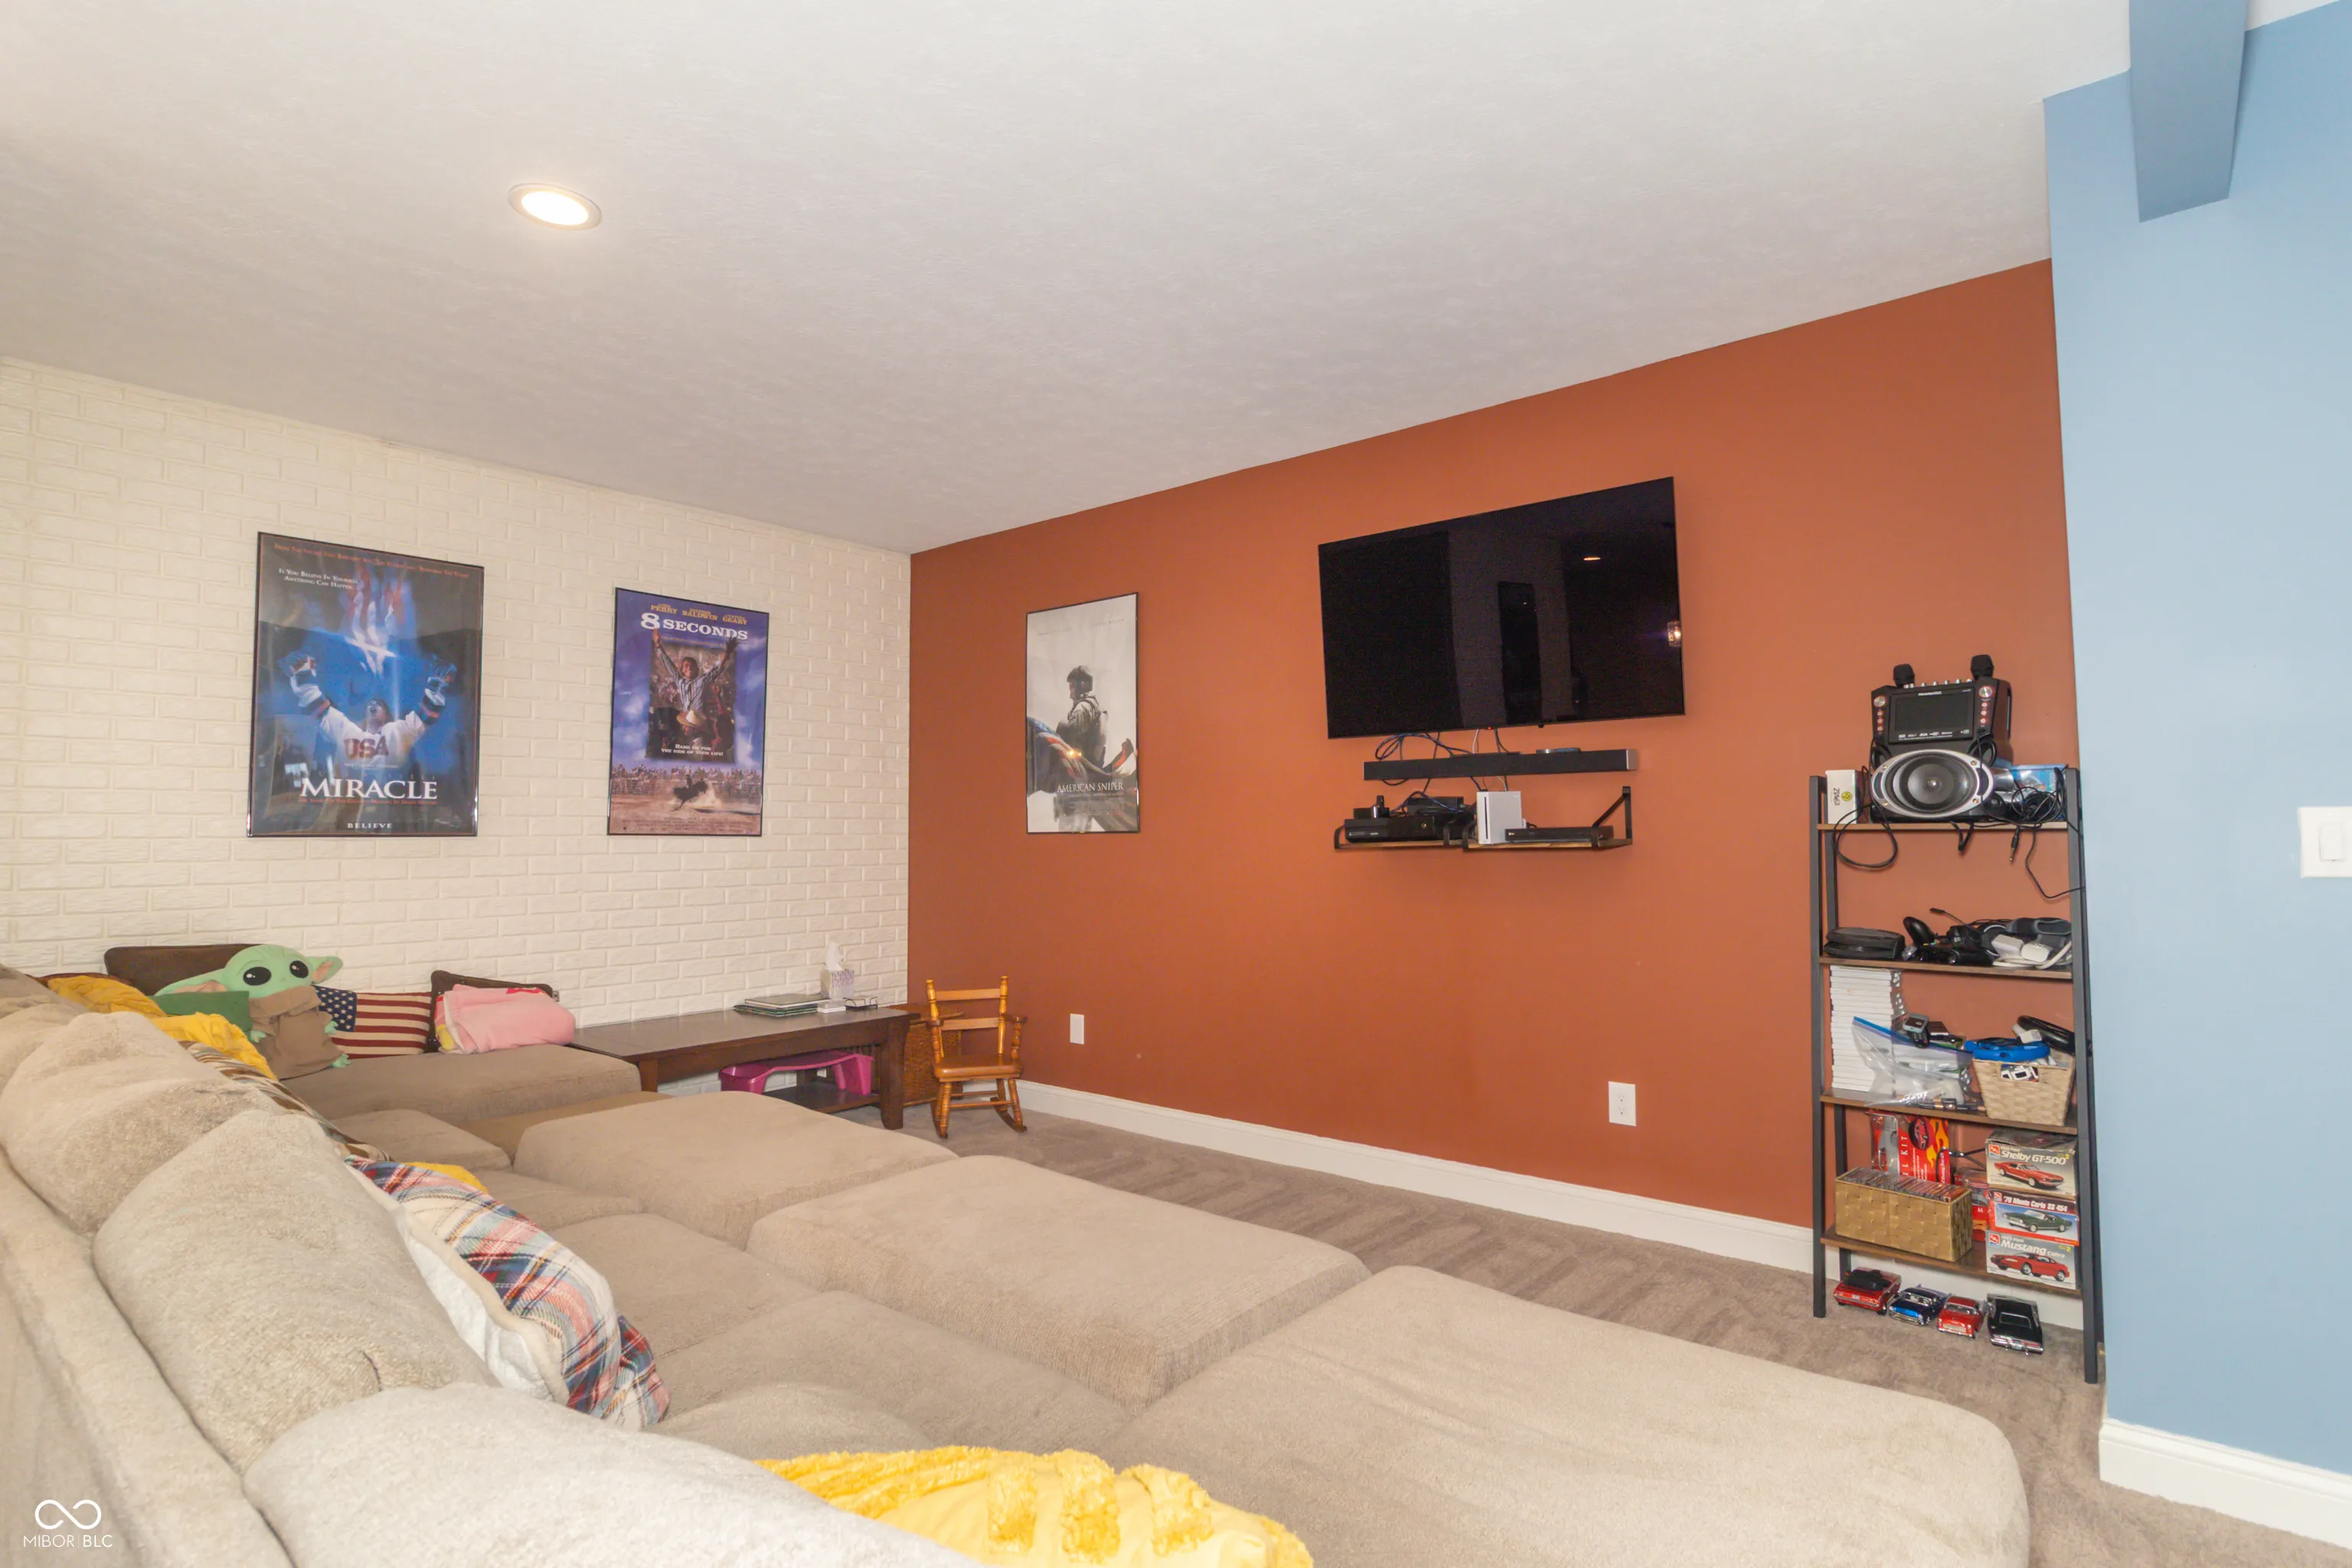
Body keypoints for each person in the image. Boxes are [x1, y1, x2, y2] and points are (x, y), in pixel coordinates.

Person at [288, 652, 450, 782]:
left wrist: (438, 682)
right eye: (370, 705)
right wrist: (303, 674)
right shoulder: (349, 734)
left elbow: (427, 714)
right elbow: (318, 709)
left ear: (387, 716)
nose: (373, 707)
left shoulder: (396, 735)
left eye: (378, 705)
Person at [1057, 666, 1106, 769]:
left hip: (1079, 766)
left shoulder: (1081, 708)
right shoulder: (1095, 707)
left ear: (1081, 685)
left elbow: (1073, 740)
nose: (1071, 694)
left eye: (1072, 687)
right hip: (1092, 765)